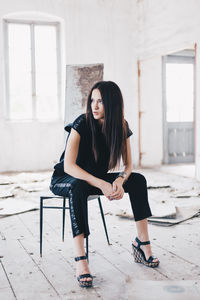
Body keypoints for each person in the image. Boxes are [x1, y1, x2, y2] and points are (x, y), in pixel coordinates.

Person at [50, 80, 159, 288]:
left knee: (138, 180)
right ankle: (81, 259)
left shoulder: (121, 126)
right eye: (92, 100)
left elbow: (128, 166)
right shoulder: (81, 123)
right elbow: (69, 167)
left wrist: (119, 179)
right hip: (65, 180)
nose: (95, 106)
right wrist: (101, 184)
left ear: (113, 103)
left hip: (92, 180)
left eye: (100, 101)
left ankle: (142, 242)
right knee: (77, 185)